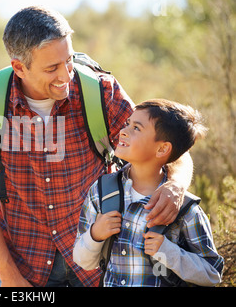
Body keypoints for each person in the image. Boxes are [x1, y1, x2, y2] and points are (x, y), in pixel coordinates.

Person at [0, 6, 193, 287]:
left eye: (68, 61)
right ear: (19, 67)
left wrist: (176, 185)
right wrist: (9, 275)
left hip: (102, 264)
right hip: (25, 269)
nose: (66, 76)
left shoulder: (100, 90)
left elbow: (163, 147)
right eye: (51, 68)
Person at [73, 99, 224, 286]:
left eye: (136, 128)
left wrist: (168, 252)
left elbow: (212, 274)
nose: (123, 131)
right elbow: (82, 261)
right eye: (128, 123)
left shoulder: (184, 210)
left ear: (162, 149)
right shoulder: (102, 192)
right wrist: (95, 234)